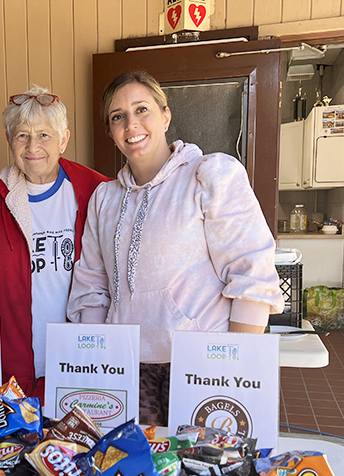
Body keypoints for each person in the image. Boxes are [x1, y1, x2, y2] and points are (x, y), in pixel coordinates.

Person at [67, 72, 285, 426]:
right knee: (138, 472)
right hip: (127, 368)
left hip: (200, 365)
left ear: (166, 116)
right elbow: (92, 284)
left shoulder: (209, 175)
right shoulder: (104, 199)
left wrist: (233, 362)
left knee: (201, 474)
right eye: (118, 117)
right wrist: (99, 359)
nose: (131, 124)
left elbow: (251, 270)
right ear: (110, 131)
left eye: (142, 110)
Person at [0, 86, 110, 399]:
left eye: (45, 135)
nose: (33, 146)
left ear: (64, 139)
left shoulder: (98, 192)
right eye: (22, 135)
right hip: (11, 371)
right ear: (9, 140)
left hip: (85, 364)